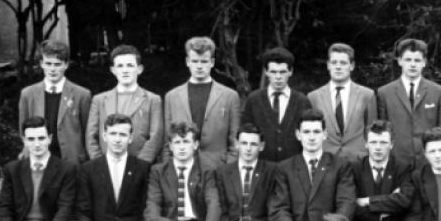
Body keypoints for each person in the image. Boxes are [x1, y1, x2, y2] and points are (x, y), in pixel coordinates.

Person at [269, 109, 356, 221]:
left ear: (324, 134)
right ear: (298, 135)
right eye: (306, 132)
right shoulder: (285, 168)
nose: (311, 137)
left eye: (316, 131)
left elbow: (346, 204)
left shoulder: (340, 165)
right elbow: (279, 208)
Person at [144, 121, 220, 221]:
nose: (182, 147)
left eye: (186, 141)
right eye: (177, 142)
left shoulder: (207, 170)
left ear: (196, 144)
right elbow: (153, 203)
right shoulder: (158, 171)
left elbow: (213, 202)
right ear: (171, 146)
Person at [77, 114, 150, 221]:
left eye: (123, 134)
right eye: (113, 134)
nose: (117, 139)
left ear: (130, 138)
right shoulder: (89, 169)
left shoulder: (143, 168)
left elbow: (148, 206)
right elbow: (82, 208)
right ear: (104, 136)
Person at [163, 36, 241, 171]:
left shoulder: (230, 96)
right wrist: (168, 170)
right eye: (195, 61)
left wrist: (229, 168)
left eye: (204, 61)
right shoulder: (172, 97)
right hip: (181, 168)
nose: (199, 66)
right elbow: (166, 141)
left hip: (218, 168)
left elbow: (235, 140)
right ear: (187, 62)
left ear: (212, 62)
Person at [351, 120, 414, 221]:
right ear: (365, 144)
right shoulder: (354, 168)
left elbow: (404, 201)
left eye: (383, 142)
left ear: (391, 144)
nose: (378, 147)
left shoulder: (403, 168)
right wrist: (387, 205)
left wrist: (368, 201)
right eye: (373, 142)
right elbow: (352, 205)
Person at [377, 38, 441, 167]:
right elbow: (382, 132)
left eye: (417, 60)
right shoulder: (384, 93)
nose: (412, 64)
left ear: (424, 62)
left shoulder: (439, 92)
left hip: (429, 162)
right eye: (408, 60)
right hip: (397, 163)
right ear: (399, 61)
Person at [86, 44, 163, 163]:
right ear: (113, 70)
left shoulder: (152, 99)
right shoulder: (99, 100)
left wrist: (140, 166)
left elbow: (155, 137)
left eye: (130, 65)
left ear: (139, 69)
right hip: (106, 168)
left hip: (140, 167)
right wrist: (101, 165)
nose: (125, 70)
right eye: (120, 66)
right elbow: (91, 137)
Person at [18, 39, 92, 163]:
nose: (52, 69)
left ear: (66, 64)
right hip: (38, 160)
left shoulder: (82, 95)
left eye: (57, 64)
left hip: (71, 161)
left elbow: (88, 132)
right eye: (48, 63)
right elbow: (23, 130)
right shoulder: (28, 94)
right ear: (41, 63)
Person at [215, 123, 280, 221]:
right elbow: (222, 210)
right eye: (244, 143)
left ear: (261, 146)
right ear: (236, 144)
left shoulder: (272, 171)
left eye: (253, 144)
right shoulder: (223, 172)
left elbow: (274, 209)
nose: (248, 148)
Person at [308, 43, 377, 162]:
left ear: (352, 66)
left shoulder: (367, 95)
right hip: (325, 160)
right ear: (328, 65)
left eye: (343, 63)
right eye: (334, 63)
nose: (338, 67)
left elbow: (371, 131)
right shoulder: (314, 97)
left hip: (358, 160)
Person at [242, 47, 312, 162]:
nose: (278, 77)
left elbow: (309, 138)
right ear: (266, 71)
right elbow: (245, 135)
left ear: (291, 71)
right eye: (273, 72)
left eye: (282, 72)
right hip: (261, 170)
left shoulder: (302, 101)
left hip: (294, 171)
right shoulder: (253, 100)